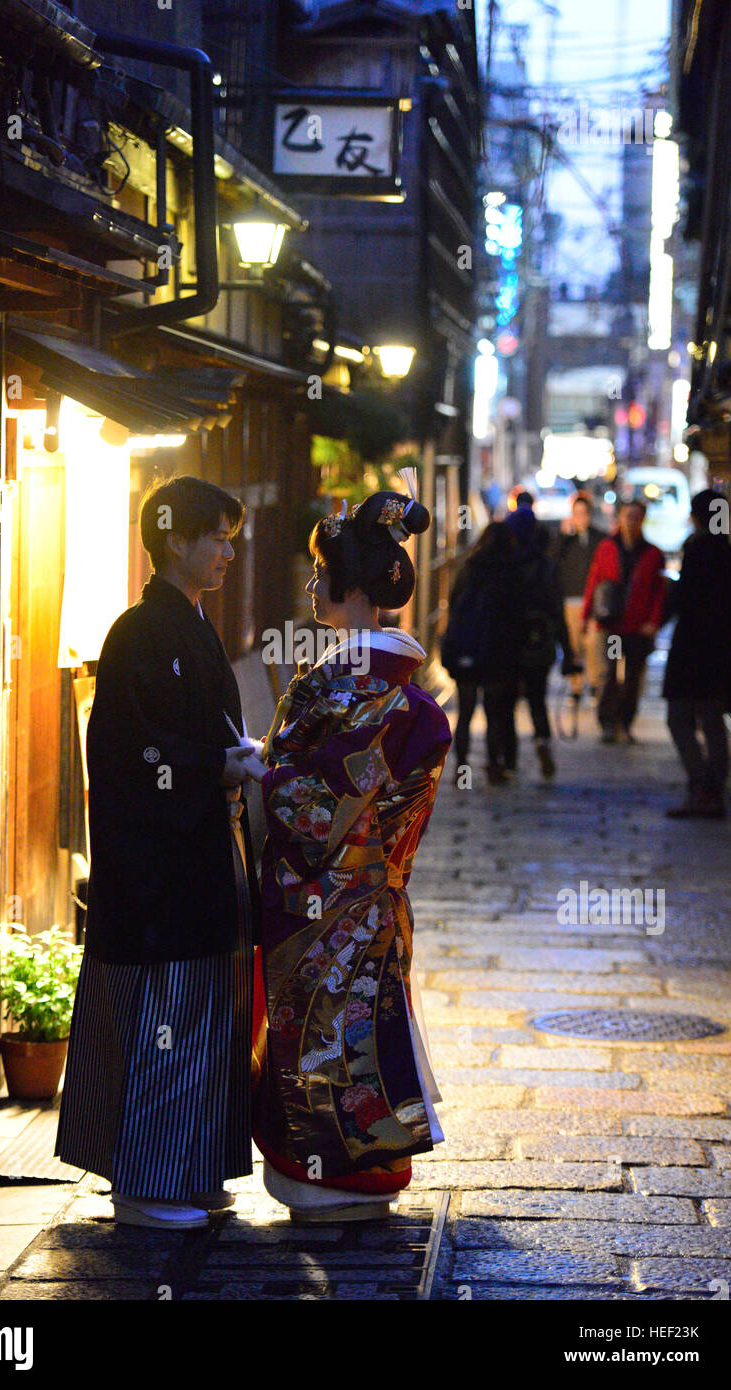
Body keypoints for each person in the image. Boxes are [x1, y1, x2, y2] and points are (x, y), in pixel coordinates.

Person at [55, 477, 259, 1230]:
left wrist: (228, 760)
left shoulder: (190, 624)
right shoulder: (138, 630)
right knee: (164, 1020)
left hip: (194, 856)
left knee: (201, 1019)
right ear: (175, 538)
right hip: (154, 873)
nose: (229, 552)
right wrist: (215, 765)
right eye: (219, 537)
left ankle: (192, 1169)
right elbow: (128, 750)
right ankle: (144, 1184)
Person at [253, 491, 451, 1222]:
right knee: (358, 1033)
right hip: (370, 894)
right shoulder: (393, 688)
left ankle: (336, 1181)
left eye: (319, 572)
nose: (311, 586)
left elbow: (315, 804)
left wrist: (257, 774)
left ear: (357, 591)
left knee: (328, 1043)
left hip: (326, 900)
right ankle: (364, 1171)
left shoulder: (350, 685)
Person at [664, 488, 731, 818]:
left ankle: (701, 786)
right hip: (721, 651)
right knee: (714, 722)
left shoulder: (697, 551)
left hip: (691, 650)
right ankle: (712, 792)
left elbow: (681, 599)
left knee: (679, 717)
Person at [440, 521, 523, 784]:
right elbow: (517, 615)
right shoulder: (511, 570)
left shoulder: (470, 566)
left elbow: (454, 605)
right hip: (497, 652)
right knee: (494, 711)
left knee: (465, 712)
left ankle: (461, 767)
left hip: (467, 649)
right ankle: (493, 766)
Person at [582, 499, 665, 743]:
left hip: (637, 627)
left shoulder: (652, 553)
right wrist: (586, 617)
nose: (631, 521)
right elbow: (594, 581)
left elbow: (658, 592)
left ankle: (625, 722)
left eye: (636, 517)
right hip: (612, 626)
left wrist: (653, 621)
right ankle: (608, 722)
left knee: (632, 679)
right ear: (619, 517)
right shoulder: (607, 547)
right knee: (608, 674)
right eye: (628, 516)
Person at [504, 503, 575, 779]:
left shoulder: (506, 563)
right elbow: (557, 610)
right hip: (540, 642)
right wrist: (567, 651)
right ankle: (542, 741)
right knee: (537, 699)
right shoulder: (547, 565)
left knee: (507, 703)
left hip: (509, 642)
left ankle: (508, 762)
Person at [554, 491, 607, 700]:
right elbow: (553, 559)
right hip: (571, 599)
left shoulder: (600, 538)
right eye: (577, 513)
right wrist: (564, 535)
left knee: (594, 645)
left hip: (593, 601)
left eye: (584, 513)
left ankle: (594, 684)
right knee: (573, 644)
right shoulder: (566, 539)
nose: (580, 518)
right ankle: (575, 686)